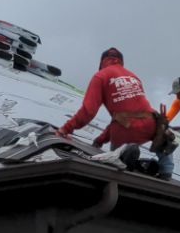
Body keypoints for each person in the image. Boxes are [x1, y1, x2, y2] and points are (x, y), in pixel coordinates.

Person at [57, 46, 173, 179]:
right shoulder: (134, 76)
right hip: (151, 123)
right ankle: (166, 170)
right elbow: (131, 112)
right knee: (163, 131)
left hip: (125, 129)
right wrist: (101, 139)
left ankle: (123, 155)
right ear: (121, 62)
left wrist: (65, 130)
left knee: (114, 163)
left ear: (102, 63)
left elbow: (88, 111)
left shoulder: (101, 76)